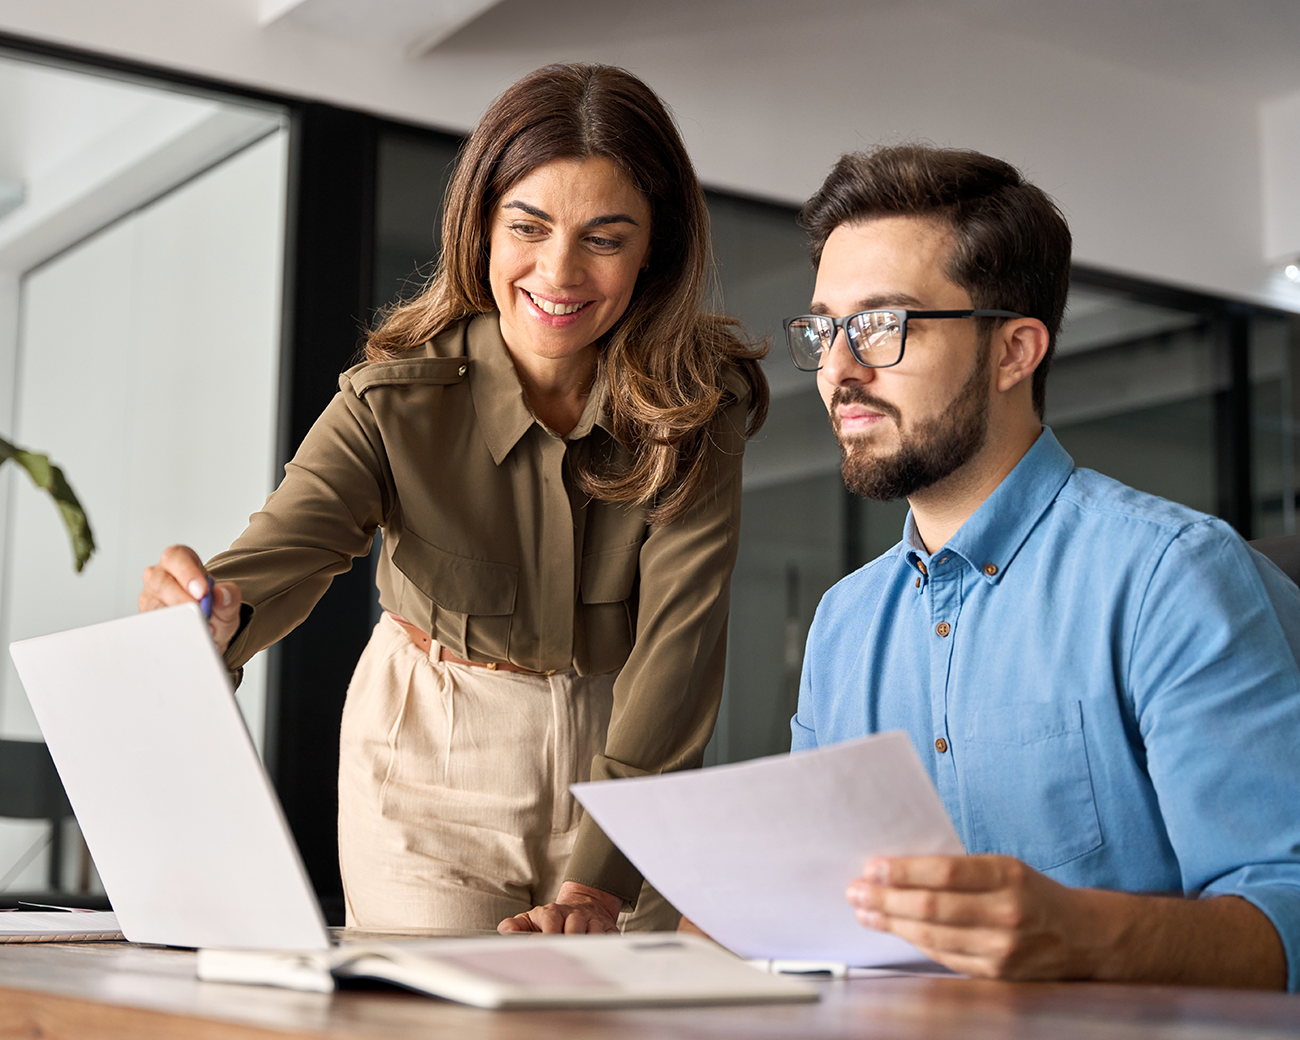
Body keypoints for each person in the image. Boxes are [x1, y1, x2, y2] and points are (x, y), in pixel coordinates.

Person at [138, 63, 767, 936]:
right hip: (431, 759)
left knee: (617, 1003)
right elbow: (283, 553)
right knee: (439, 1005)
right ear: (481, 227)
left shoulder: (699, 406)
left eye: (604, 238)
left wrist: (598, 883)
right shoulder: (392, 401)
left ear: (653, 248)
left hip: (632, 756)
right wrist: (208, 614)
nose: (559, 271)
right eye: (528, 226)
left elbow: (679, 649)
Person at [786, 144, 1300, 989]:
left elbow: (1287, 909)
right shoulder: (843, 625)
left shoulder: (1173, 577)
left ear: (1014, 352)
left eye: (882, 326)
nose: (839, 369)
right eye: (824, 329)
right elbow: (813, 900)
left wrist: (1086, 938)